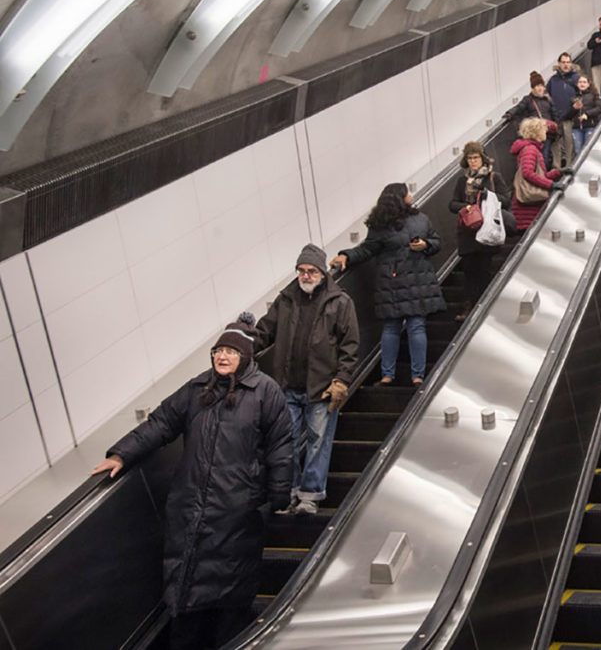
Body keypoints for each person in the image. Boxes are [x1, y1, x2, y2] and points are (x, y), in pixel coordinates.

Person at [92, 314, 293, 650]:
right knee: (187, 596)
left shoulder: (265, 393)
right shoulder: (197, 389)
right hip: (191, 510)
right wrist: (121, 454)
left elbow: (281, 446)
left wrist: (278, 495)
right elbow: (160, 423)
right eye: (218, 351)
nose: (222, 357)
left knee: (230, 597)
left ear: (246, 357)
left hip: (237, 512)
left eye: (231, 351)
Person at [255, 244, 359, 516]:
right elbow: (264, 331)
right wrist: (240, 345)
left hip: (322, 388)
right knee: (284, 442)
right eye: (301, 270)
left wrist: (341, 380)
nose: (306, 275)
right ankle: (288, 492)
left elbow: (350, 346)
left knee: (317, 443)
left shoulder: (340, 302)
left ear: (323, 273)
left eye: (311, 271)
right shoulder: (286, 299)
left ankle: (310, 495)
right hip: (286, 386)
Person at [331, 183, 446, 386]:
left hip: (390, 282)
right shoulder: (420, 219)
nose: (410, 196)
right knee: (416, 327)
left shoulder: (380, 225)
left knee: (391, 328)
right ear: (400, 198)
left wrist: (346, 256)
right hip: (417, 282)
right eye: (406, 193)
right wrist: (426, 245)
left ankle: (387, 375)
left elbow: (367, 249)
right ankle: (417, 375)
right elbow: (436, 242)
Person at [448, 142, 511, 321]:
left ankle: (485, 306)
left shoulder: (492, 177)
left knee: (484, 270)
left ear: (482, 158)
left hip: (487, 230)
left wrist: (487, 196)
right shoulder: (462, 181)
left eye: (475, 158)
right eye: (469, 158)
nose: (473, 162)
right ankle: (469, 307)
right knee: (469, 271)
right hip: (468, 232)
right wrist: (469, 206)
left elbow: (506, 200)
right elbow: (452, 204)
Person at [510, 118, 567, 231]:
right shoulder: (530, 150)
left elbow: (540, 175)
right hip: (528, 207)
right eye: (543, 130)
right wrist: (551, 185)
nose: (545, 132)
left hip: (530, 204)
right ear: (536, 132)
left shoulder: (532, 148)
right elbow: (528, 173)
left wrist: (558, 172)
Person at [504, 71, 560, 168]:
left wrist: (557, 128)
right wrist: (510, 113)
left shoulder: (548, 100)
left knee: (545, 156)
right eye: (537, 86)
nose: (539, 88)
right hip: (534, 134)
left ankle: (543, 176)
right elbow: (519, 107)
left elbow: (555, 114)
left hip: (546, 133)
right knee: (537, 157)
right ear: (533, 88)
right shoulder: (528, 99)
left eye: (541, 85)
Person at [546, 52, 580, 167]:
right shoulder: (553, 80)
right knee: (555, 145)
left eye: (568, 62)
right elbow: (547, 97)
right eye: (563, 62)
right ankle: (557, 169)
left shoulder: (576, 78)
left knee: (569, 144)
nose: (566, 65)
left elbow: (583, 94)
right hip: (556, 118)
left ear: (571, 63)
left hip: (570, 118)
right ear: (559, 64)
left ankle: (569, 167)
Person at [568, 74, 601, 151]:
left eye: (584, 82)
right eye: (580, 82)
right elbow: (568, 115)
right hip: (576, 128)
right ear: (577, 84)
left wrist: (587, 114)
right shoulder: (573, 96)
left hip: (590, 126)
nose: (582, 84)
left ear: (588, 84)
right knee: (578, 151)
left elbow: (600, 108)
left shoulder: (594, 95)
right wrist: (574, 108)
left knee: (588, 150)